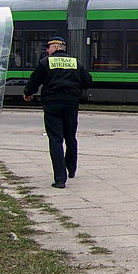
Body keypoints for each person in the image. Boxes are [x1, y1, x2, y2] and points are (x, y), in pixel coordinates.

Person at [23, 36, 93, 189]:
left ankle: (60, 179)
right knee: (70, 137)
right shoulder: (76, 63)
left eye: (48, 48)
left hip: (52, 104)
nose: (47, 51)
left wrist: (28, 92)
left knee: (55, 140)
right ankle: (72, 168)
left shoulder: (45, 63)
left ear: (54, 47)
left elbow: (34, 80)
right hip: (71, 104)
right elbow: (88, 81)